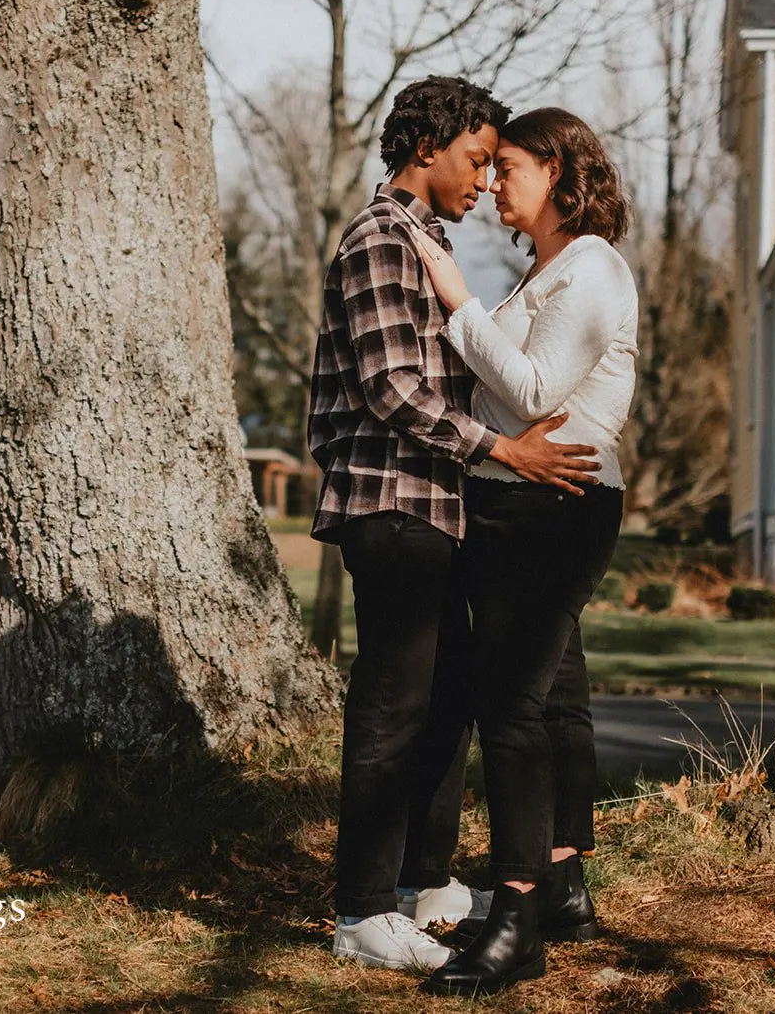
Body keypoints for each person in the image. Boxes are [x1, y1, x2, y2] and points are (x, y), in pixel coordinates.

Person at [307, 78, 603, 972]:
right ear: (426, 147)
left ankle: (421, 885)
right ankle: (361, 913)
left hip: (435, 503)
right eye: (476, 159)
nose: (483, 180)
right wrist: (506, 451)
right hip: (389, 499)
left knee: (444, 702)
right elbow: (392, 388)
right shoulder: (379, 238)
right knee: (393, 705)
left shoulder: (426, 242)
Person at [405, 106, 638, 997]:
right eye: (491, 166)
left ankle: (516, 919)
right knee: (556, 695)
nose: (493, 181)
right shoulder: (547, 270)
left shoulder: (592, 268)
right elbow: (504, 394)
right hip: (516, 497)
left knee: (510, 709)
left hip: (555, 504)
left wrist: (457, 301)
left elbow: (535, 388)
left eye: (509, 166)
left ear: (559, 170)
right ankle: (564, 887)